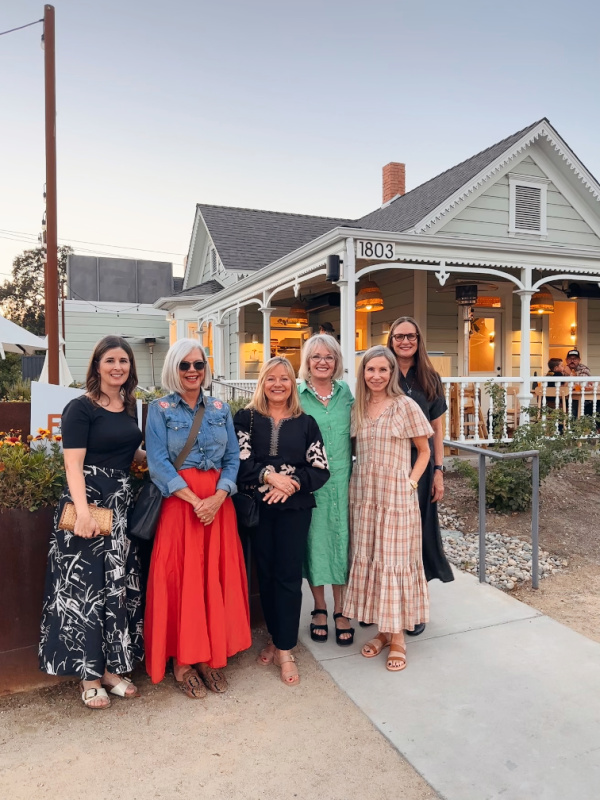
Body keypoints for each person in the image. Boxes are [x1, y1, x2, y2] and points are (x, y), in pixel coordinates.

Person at [39, 336, 146, 709]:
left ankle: (113, 669)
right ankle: (88, 676)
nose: (118, 367)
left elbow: (128, 450)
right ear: (97, 364)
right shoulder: (80, 408)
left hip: (120, 507)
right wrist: (83, 512)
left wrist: (167, 459)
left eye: (124, 361)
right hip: (89, 506)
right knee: (85, 592)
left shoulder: (129, 406)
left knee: (114, 587)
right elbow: (73, 464)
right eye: (111, 360)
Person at [144, 339, 250, 699]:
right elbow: (157, 463)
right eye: (185, 365)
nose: (192, 371)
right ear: (173, 369)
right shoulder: (159, 409)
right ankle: (183, 661)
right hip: (180, 504)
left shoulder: (221, 408)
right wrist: (195, 501)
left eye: (198, 365)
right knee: (182, 580)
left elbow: (234, 458)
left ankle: (207, 656)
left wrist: (218, 496)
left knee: (211, 578)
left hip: (218, 505)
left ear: (206, 369)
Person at [234, 357, 330, 686]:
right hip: (258, 508)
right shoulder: (245, 418)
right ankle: (275, 637)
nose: (278, 384)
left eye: (285, 379)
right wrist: (270, 477)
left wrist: (291, 485)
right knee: (266, 574)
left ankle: (286, 648)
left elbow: (319, 468)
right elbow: (239, 462)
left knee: (288, 576)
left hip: (294, 509)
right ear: (262, 382)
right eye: (271, 378)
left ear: (293, 384)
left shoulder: (306, 423)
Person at [342, 346, 433, 672]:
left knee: (394, 564)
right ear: (363, 373)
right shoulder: (357, 408)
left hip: (395, 500)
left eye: (383, 370)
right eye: (370, 370)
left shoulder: (405, 406)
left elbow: (425, 451)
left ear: (392, 373)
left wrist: (410, 483)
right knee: (374, 562)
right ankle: (383, 630)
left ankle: (398, 639)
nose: (376, 376)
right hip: (364, 498)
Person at [387, 316, 454, 637]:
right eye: (399, 336)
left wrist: (439, 471)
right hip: (387, 464)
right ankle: (387, 603)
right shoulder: (381, 372)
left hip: (420, 466)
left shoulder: (429, 378)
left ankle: (414, 606)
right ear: (391, 339)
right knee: (389, 536)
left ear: (418, 339)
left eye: (410, 336)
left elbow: (438, 430)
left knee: (418, 533)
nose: (405, 342)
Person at [298, 334, 354, 646]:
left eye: (329, 357)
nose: (322, 362)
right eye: (316, 356)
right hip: (311, 483)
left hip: (345, 481)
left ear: (336, 363)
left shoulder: (346, 393)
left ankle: (342, 610)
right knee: (315, 542)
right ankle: (319, 608)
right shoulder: (297, 394)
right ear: (307, 362)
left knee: (342, 541)